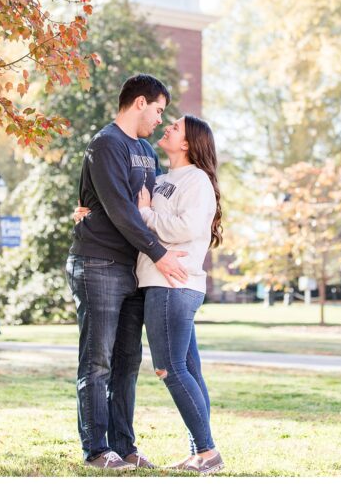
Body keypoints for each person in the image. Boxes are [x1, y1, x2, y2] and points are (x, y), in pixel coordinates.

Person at [75, 114, 225, 475]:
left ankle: (207, 452)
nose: (166, 127)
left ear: (188, 144)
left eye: (175, 127)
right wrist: (90, 215)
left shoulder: (197, 180)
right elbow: (124, 210)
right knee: (188, 368)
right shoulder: (161, 179)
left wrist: (146, 213)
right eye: (166, 120)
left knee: (168, 368)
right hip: (155, 282)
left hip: (174, 284)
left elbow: (184, 227)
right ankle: (199, 451)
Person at [66, 74, 189, 471]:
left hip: (133, 267)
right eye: (157, 110)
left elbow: (149, 208)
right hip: (99, 262)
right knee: (98, 361)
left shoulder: (146, 153)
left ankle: (125, 446)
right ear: (139, 103)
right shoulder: (105, 144)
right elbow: (122, 210)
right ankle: (98, 449)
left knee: (127, 361)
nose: (159, 119)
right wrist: (159, 253)